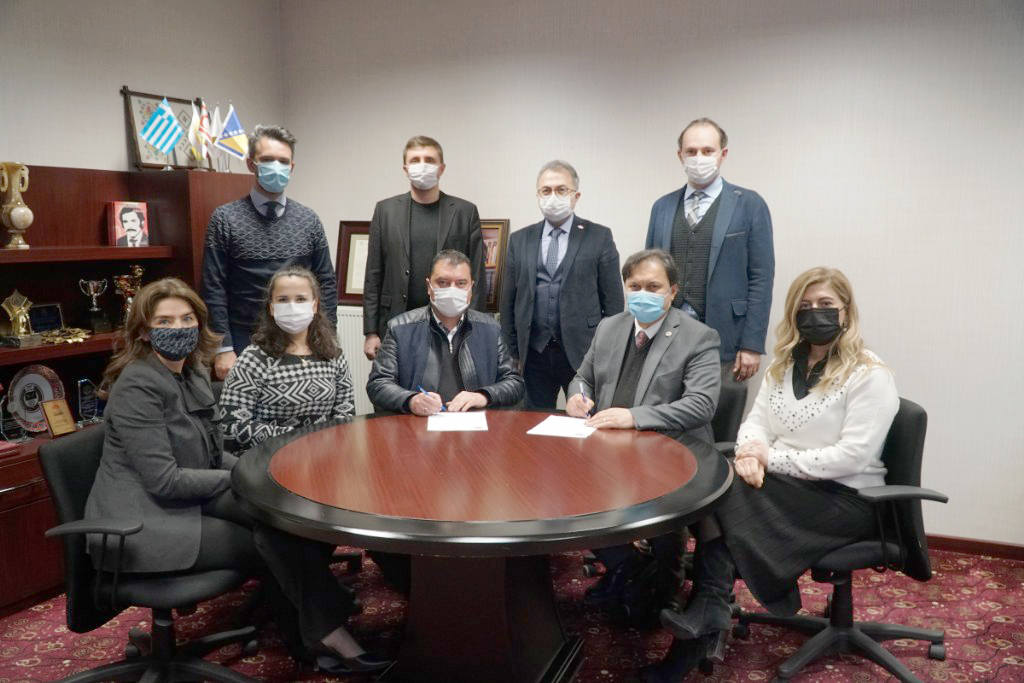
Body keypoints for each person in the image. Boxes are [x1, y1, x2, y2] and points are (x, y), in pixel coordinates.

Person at [84, 278, 388, 674]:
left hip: (187, 502)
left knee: (283, 523)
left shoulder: (190, 372)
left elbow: (214, 455)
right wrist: (244, 480)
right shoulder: (138, 385)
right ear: (144, 331)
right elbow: (166, 481)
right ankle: (325, 634)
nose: (178, 328)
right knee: (274, 539)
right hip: (142, 523)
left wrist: (265, 475)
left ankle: (317, 632)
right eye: (164, 321)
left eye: (187, 319)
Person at [654, 267, 898, 680]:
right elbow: (756, 422)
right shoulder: (784, 365)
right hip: (790, 486)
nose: (815, 313)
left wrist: (769, 459)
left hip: (848, 499)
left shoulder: (869, 374)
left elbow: (851, 457)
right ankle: (710, 607)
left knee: (726, 494)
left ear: (846, 311)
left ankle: (709, 609)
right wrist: (750, 452)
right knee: (715, 478)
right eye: (805, 306)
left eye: (826, 305)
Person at [565, 249, 720, 618]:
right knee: (564, 488)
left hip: (670, 450)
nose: (643, 294)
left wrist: (635, 417)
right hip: (608, 445)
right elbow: (583, 377)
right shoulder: (610, 327)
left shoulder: (698, 337)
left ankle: (666, 587)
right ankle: (628, 566)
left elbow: (701, 405)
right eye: (635, 286)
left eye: (653, 287)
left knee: (662, 501)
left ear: (672, 291)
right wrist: (576, 397)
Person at [201, 124, 338, 380]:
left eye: (283, 161)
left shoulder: (309, 220)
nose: (276, 166)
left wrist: (327, 336)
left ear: (292, 167)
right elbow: (213, 287)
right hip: (243, 340)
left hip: (301, 338)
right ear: (251, 164)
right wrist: (223, 348)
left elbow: (326, 283)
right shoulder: (225, 219)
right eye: (267, 160)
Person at [645, 117, 774, 387]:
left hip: (727, 337)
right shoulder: (662, 207)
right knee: (662, 408)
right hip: (667, 336)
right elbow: (649, 277)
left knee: (720, 409)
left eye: (707, 151)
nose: (699, 158)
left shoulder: (750, 205)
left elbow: (761, 278)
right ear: (680, 156)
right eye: (691, 151)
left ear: (722, 154)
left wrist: (752, 344)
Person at [500, 160, 623, 410]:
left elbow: (613, 304)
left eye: (561, 190)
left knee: (585, 418)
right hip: (533, 353)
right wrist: (512, 353)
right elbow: (508, 301)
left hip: (583, 352)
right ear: (538, 195)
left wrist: (606, 354)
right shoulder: (519, 239)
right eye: (546, 190)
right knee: (532, 421)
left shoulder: (599, 236)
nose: (553, 196)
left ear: (576, 196)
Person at [362, 135, 484, 361]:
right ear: (405, 169)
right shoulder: (385, 211)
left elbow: (477, 274)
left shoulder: (465, 212)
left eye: (429, 160)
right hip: (396, 321)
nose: (422, 165)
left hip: (451, 323)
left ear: (441, 168)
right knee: (396, 383)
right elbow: (373, 274)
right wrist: (371, 331)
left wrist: (475, 329)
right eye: (415, 160)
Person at [367, 249, 524, 414]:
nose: (452, 290)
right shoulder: (400, 328)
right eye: (443, 282)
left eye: (461, 283)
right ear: (429, 287)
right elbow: (378, 384)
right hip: (419, 423)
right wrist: (411, 400)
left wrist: (483, 396)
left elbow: (515, 383)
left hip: (474, 424)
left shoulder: (491, 328)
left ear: (471, 287)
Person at [220, 266, 354, 455]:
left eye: (301, 299)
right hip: (267, 458)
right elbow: (230, 427)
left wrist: (321, 446)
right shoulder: (253, 359)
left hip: (322, 455)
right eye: (283, 299)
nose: (292, 307)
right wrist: (295, 438)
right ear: (271, 307)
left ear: (314, 305)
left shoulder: (334, 355)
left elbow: (345, 417)